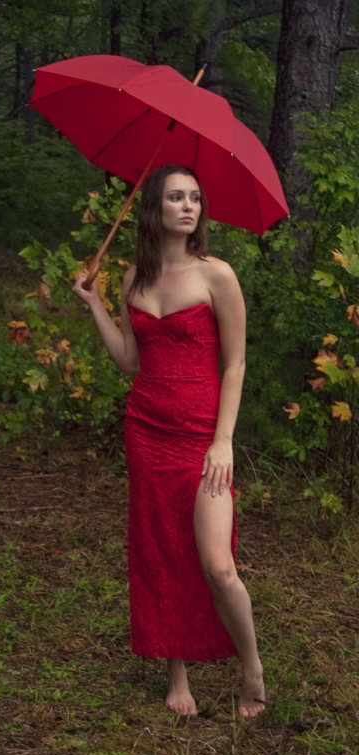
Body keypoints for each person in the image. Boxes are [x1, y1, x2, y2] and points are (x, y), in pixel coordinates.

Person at [72, 165, 265, 718]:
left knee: (217, 564)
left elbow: (235, 363)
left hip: (203, 436)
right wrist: (95, 305)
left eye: (196, 198)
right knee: (160, 551)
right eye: (176, 197)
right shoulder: (135, 276)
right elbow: (131, 361)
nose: (189, 207)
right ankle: (175, 670)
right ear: (153, 206)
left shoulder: (217, 275)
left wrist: (223, 440)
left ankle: (253, 671)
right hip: (147, 430)